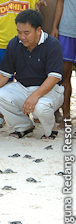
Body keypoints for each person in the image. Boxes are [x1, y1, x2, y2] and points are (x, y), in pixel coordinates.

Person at [0, 9, 64, 140]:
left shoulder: (52, 44)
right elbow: (4, 75)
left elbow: (53, 78)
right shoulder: (14, 43)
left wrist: (35, 95)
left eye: (26, 33)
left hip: (51, 90)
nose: (22, 36)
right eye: (19, 32)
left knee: (40, 107)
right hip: (23, 87)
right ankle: (24, 126)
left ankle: (51, 129)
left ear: (38, 30)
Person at [0, 0, 47, 128]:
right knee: (2, 75)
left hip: (26, 42)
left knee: (29, 75)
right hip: (2, 41)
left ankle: (33, 110)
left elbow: (35, 15)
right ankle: (0, 115)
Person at [51, 0, 76, 129]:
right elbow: (60, 3)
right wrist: (55, 26)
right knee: (63, 77)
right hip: (66, 31)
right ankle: (66, 116)